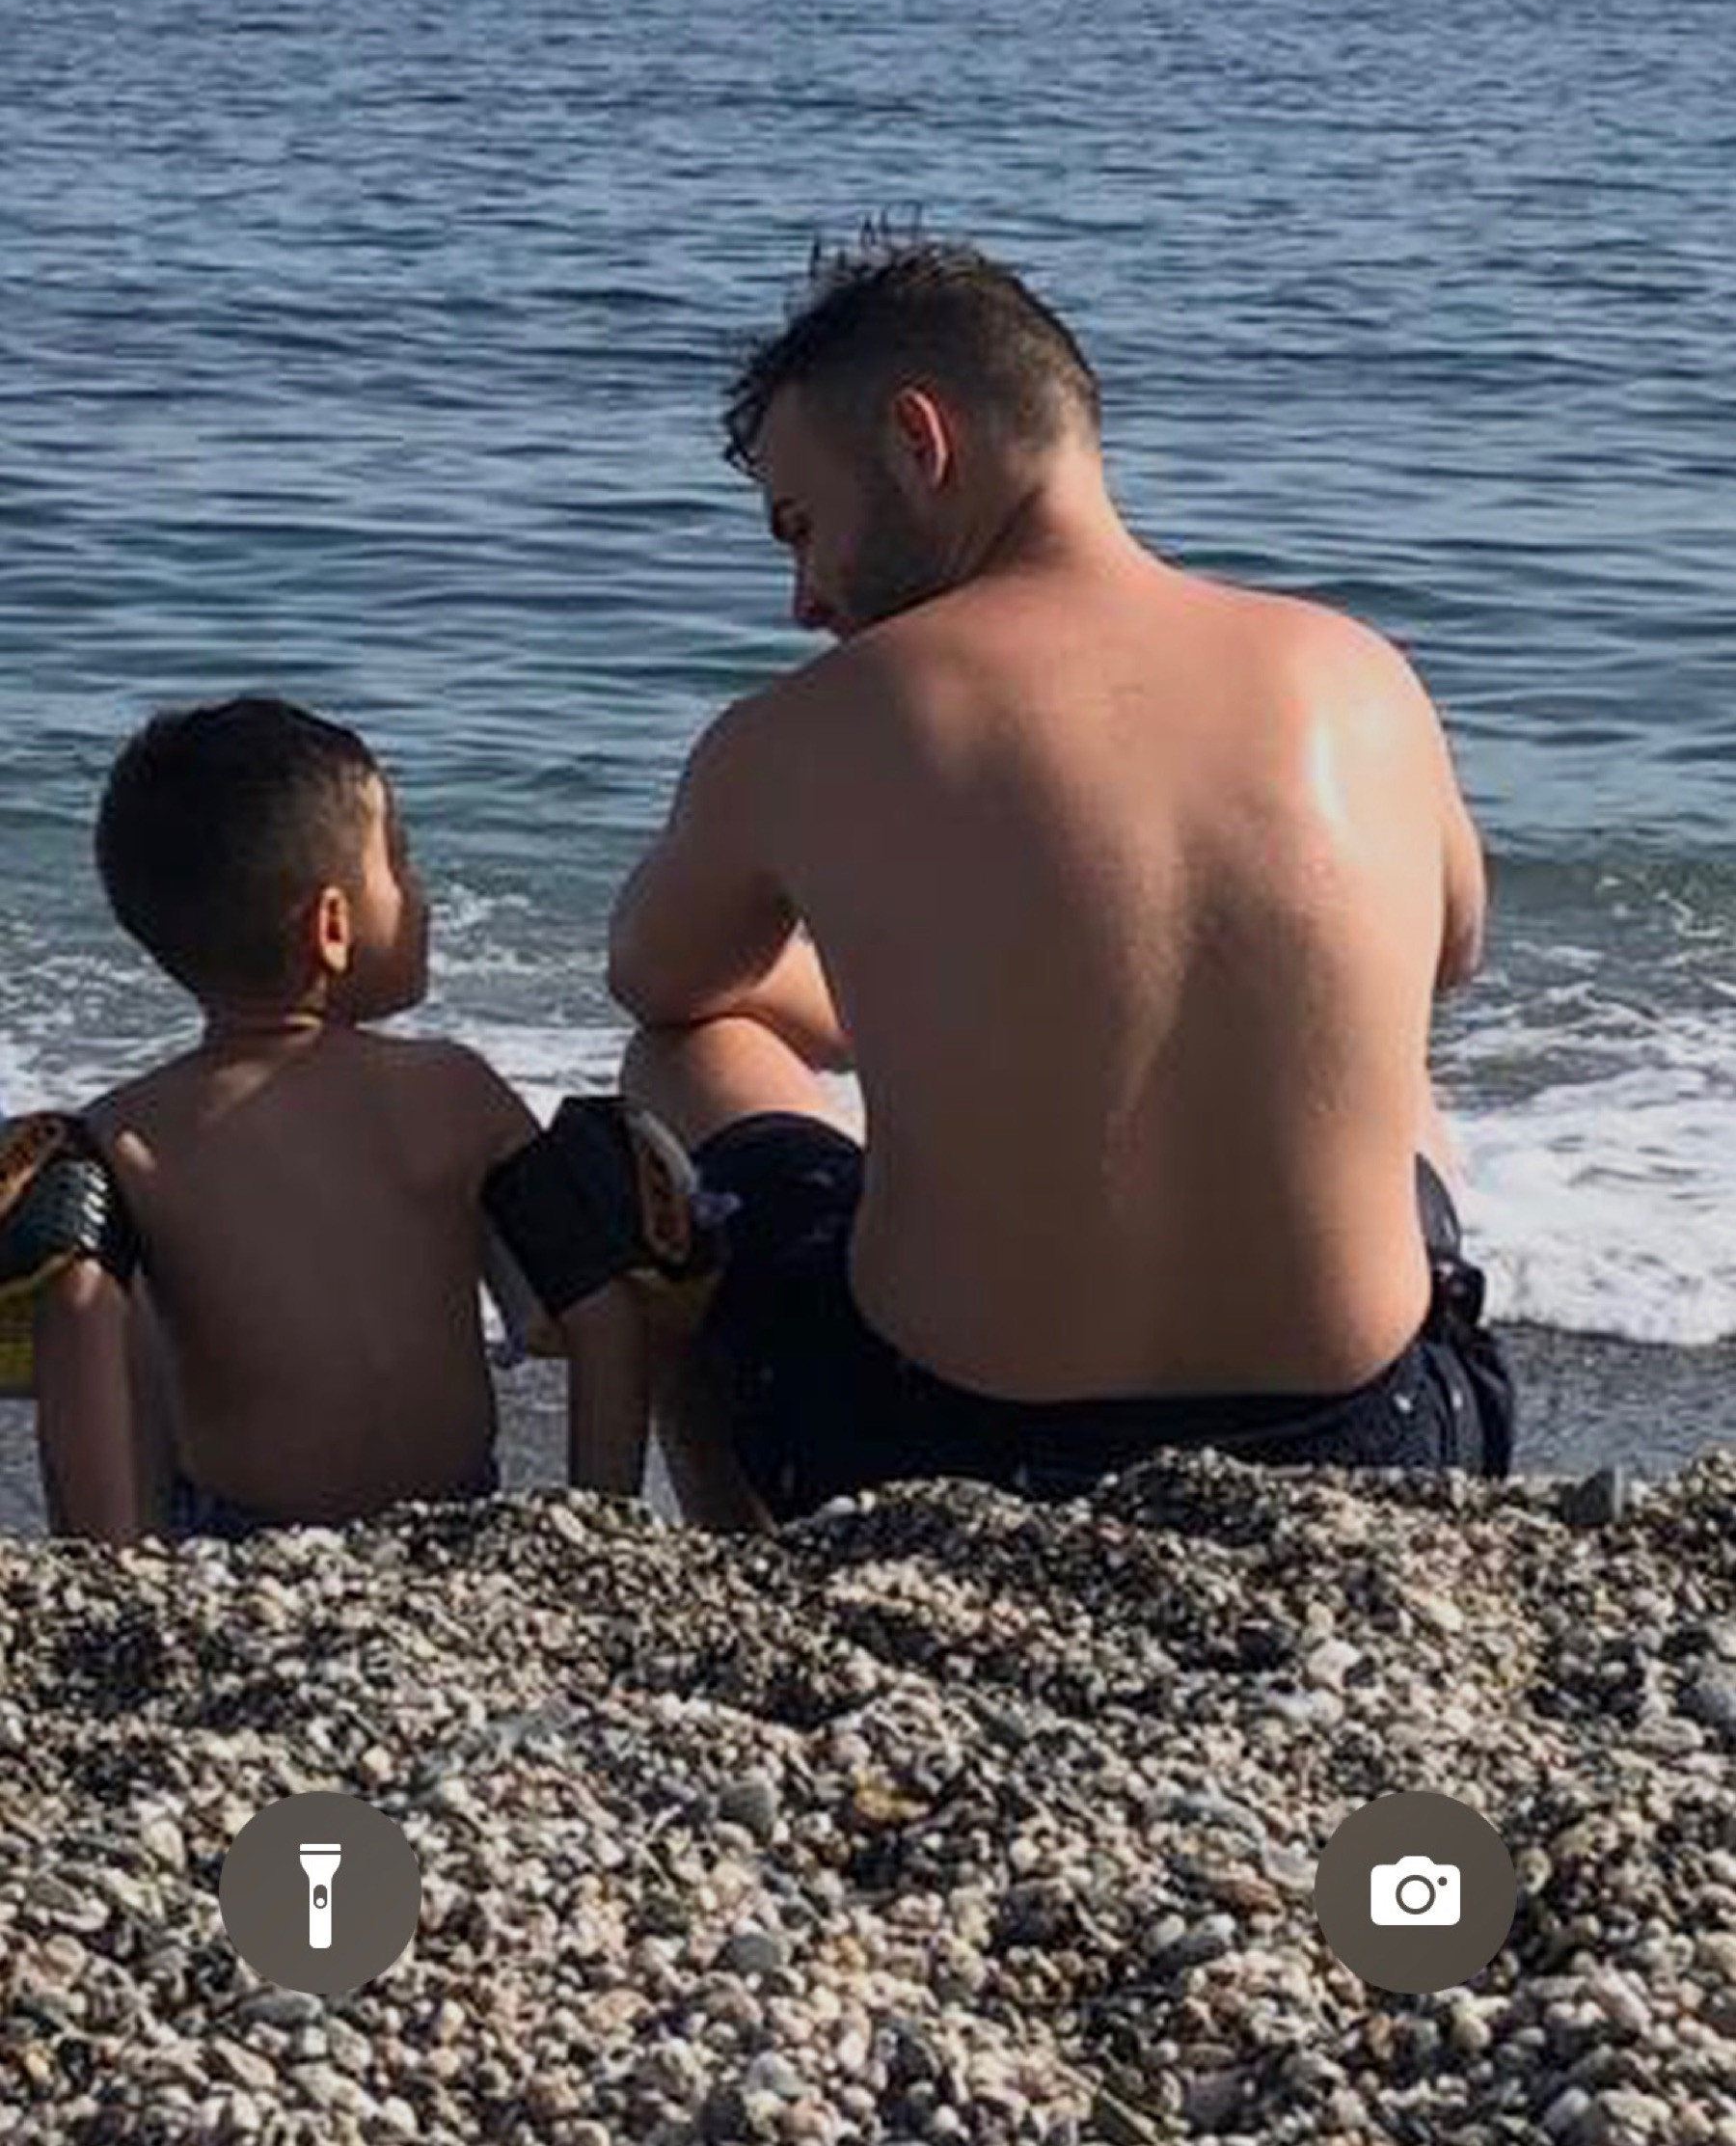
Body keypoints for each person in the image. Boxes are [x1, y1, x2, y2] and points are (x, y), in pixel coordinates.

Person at [607, 233, 1515, 1524]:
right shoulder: (1360, 673)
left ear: (919, 440)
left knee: (684, 1055)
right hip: (1386, 1442)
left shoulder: (806, 725)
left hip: (939, 1443)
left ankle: (744, 1552)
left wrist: (884, 998)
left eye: (802, 528)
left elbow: (657, 977)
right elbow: (1449, 950)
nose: (804, 598)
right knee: (1388, 1065)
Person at [30, 695, 645, 1543]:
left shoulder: (127, 1134)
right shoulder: (455, 1090)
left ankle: (110, 1556)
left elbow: (77, 1323)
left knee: (93, 1278)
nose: (423, 895)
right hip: (455, 1522)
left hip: (238, 1539)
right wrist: (602, 1523)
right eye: (402, 862)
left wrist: (113, 1559)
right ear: (331, 925)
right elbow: (605, 1315)